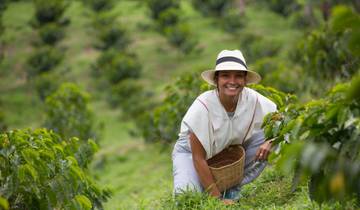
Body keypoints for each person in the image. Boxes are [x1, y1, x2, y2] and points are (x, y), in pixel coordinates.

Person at [172, 49, 277, 204]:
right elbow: (198, 157)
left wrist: (271, 141)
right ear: (216, 80)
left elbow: (279, 120)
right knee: (187, 200)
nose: (232, 81)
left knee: (266, 136)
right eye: (225, 75)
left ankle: (231, 188)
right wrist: (217, 200)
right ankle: (217, 192)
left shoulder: (252, 100)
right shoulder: (203, 106)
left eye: (238, 76)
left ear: (245, 80)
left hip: (224, 151)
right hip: (191, 154)